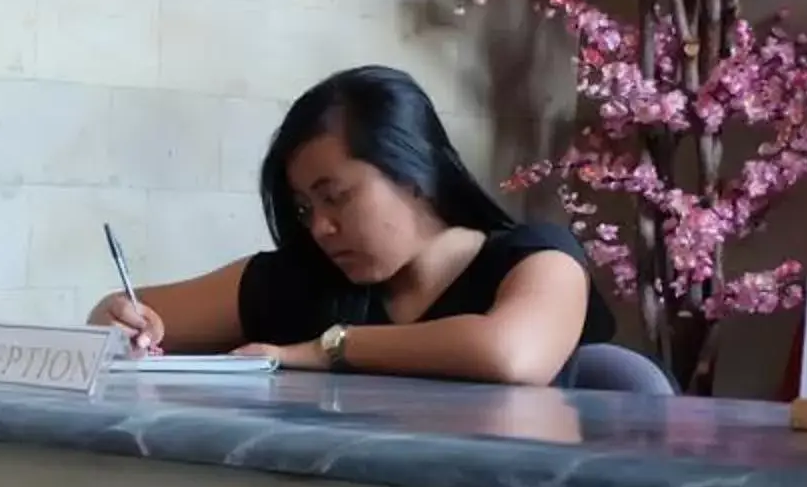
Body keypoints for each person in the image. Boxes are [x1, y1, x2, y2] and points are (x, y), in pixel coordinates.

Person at [89, 66, 616, 385]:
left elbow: (509, 354)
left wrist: (326, 349)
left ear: (414, 175)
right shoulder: (305, 279)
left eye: (336, 198)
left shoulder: (538, 259)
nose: (319, 227)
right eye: (302, 208)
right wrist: (127, 324)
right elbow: (111, 322)